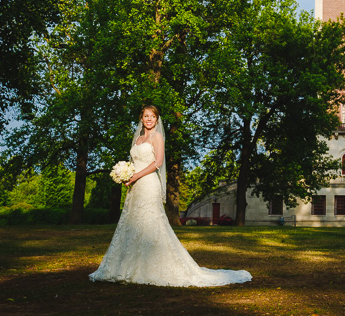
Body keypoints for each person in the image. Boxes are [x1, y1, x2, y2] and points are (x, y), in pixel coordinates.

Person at [89, 105, 252, 287]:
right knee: (133, 223)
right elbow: (134, 162)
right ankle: (128, 266)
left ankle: (153, 267)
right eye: (146, 116)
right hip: (135, 186)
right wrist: (126, 174)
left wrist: (135, 175)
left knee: (151, 223)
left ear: (157, 119)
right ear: (141, 119)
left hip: (149, 184)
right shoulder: (138, 139)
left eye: (152, 116)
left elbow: (157, 162)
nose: (149, 119)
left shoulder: (157, 137)